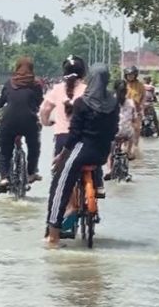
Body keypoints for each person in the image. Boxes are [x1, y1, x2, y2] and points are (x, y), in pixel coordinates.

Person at [46, 64, 119, 248]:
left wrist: (61, 155)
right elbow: (114, 131)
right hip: (102, 153)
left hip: (82, 151)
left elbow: (74, 136)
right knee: (83, 170)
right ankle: (98, 187)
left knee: (60, 184)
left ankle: (53, 235)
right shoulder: (113, 103)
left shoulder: (82, 103)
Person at [0, 56, 44, 197]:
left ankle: (4, 178)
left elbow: (0, 102)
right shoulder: (36, 85)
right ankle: (31, 173)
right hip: (29, 122)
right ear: (31, 69)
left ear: (16, 68)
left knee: (4, 152)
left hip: (8, 122)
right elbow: (40, 103)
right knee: (34, 146)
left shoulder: (9, 83)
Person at [39, 55, 87, 156]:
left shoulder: (57, 89)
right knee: (95, 168)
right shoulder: (88, 90)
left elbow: (44, 109)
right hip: (83, 140)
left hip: (62, 139)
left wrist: (46, 122)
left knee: (58, 169)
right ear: (83, 73)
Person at [105, 79, 136, 179]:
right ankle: (130, 152)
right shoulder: (131, 102)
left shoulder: (109, 102)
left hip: (113, 133)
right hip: (127, 133)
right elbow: (134, 118)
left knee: (109, 151)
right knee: (132, 131)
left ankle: (109, 169)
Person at [124, 66, 145, 156]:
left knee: (136, 128)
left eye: (132, 75)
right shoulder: (124, 84)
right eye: (128, 75)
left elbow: (143, 97)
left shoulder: (140, 85)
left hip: (136, 109)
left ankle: (135, 146)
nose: (130, 77)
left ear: (135, 75)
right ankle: (125, 146)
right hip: (125, 110)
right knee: (125, 128)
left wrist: (141, 108)